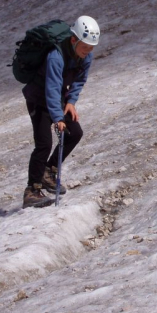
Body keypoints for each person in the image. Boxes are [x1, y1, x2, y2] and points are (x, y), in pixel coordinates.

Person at [22, 16, 100, 208]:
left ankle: (49, 171)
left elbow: (80, 80)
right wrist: (58, 117)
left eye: (91, 48)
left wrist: (71, 102)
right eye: (85, 48)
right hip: (38, 100)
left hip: (58, 99)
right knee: (44, 144)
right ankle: (32, 190)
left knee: (75, 132)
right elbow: (52, 87)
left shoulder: (85, 56)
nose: (88, 52)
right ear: (74, 40)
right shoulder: (55, 56)